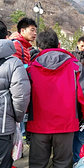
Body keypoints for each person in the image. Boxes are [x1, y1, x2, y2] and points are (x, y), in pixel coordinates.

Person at [26, 28, 84, 168]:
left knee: (37, 164)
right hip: (67, 124)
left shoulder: (31, 68)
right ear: (58, 44)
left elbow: (24, 96)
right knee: (62, 163)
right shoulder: (75, 66)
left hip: (38, 123)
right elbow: (83, 94)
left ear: (39, 47)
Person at [0, 20, 30, 168]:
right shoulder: (14, 63)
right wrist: (17, 118)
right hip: (4, 125)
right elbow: (21, 97)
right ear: (6, 37)